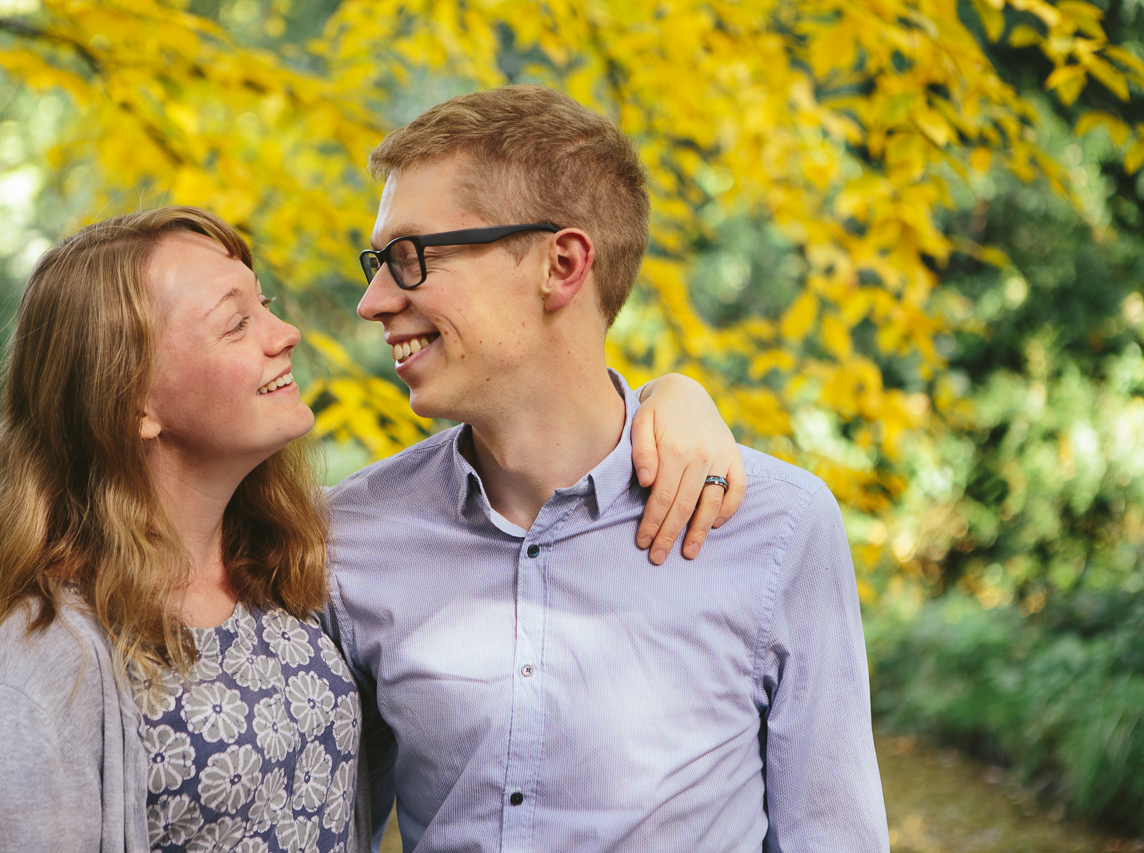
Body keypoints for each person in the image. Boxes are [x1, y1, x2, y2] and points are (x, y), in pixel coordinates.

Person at [0, 205, 744, 852]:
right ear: (132, 401)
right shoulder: (49, 657)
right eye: (236, 323)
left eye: (265, 304)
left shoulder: (296, 568)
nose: (285, 332)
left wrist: (670, 395)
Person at [327, 85, 890, 852]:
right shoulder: (348, 536)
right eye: (378, 261)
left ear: (561, 264)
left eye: (410, 257)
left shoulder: (778, 526)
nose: (372, 301)